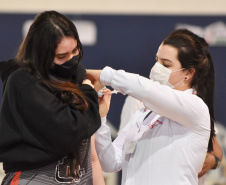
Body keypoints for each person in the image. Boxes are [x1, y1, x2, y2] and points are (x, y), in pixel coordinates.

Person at [86, 29, 217, 185]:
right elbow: (111, 162)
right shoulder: (143, 114)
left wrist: (104, 76)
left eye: (165, 64)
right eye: (157, 60)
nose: (156, 68)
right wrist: (101, 118)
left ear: (188, 73)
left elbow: (148, 91)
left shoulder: (196, 107)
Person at [0, 11, 105, 185]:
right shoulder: (24, 82)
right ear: (42, 54)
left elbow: (91, 156)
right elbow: (71, 130)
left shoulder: (75, 76)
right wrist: (88, 92)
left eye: (75, 50)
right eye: (62, 56)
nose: (72, 60)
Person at [119, 96, 223, 185]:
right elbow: (124, 151)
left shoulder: (195, 103)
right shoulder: (136, 100)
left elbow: (217, 151)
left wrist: (212, 161)